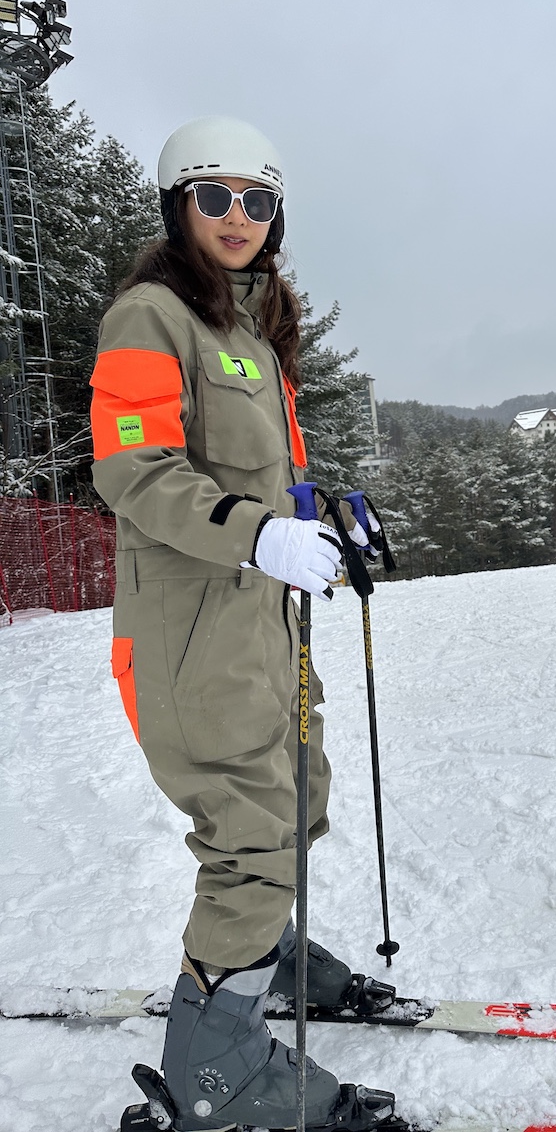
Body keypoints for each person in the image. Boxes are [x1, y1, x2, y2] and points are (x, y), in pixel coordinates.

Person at [90, 116, 393, 1131]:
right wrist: (254, 533)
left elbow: (266, 477)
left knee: (297, 794)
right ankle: (215, 1068)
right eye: (213, 196)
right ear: (178, 206)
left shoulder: (249, 335)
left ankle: (262, 951)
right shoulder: (152, 317)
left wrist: (321, 513)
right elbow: (133, 467)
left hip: (260, 628)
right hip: (190, 637)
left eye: (256, 201)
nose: (236, 216)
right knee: (252, 835)